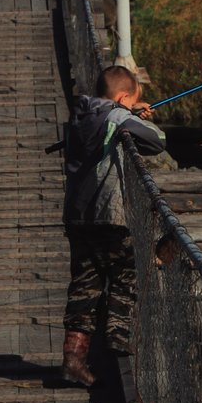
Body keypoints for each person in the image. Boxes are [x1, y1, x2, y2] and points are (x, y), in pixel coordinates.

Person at [60, 65, 165, 386]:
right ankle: (118, 339)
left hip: (78, 214)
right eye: (130, 99)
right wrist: (133, 116)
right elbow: (157, 141)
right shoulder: (117, 118)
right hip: (110, 213)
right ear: (122, 96)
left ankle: (73, 360)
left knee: (84, 284)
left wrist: (129, 110)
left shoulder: (80, 114)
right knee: (125, 270)